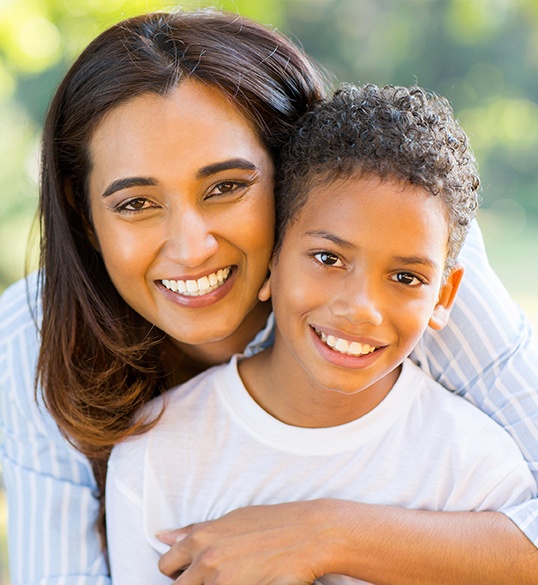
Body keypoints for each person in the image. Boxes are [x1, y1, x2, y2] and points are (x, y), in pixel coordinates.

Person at [0, 8, 536, 585]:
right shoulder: (30, 338)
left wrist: (327, 534)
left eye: (226, 187)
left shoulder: (406, 262)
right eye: (135, 203)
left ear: (293, 174)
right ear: (84, 216)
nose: (191, 248)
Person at [105, 82, 537, 585]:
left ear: (443, 296)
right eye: (329, 259)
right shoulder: (157, 451)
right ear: (271, 257)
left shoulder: (475, 468)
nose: (360, 310)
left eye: (406, 278)